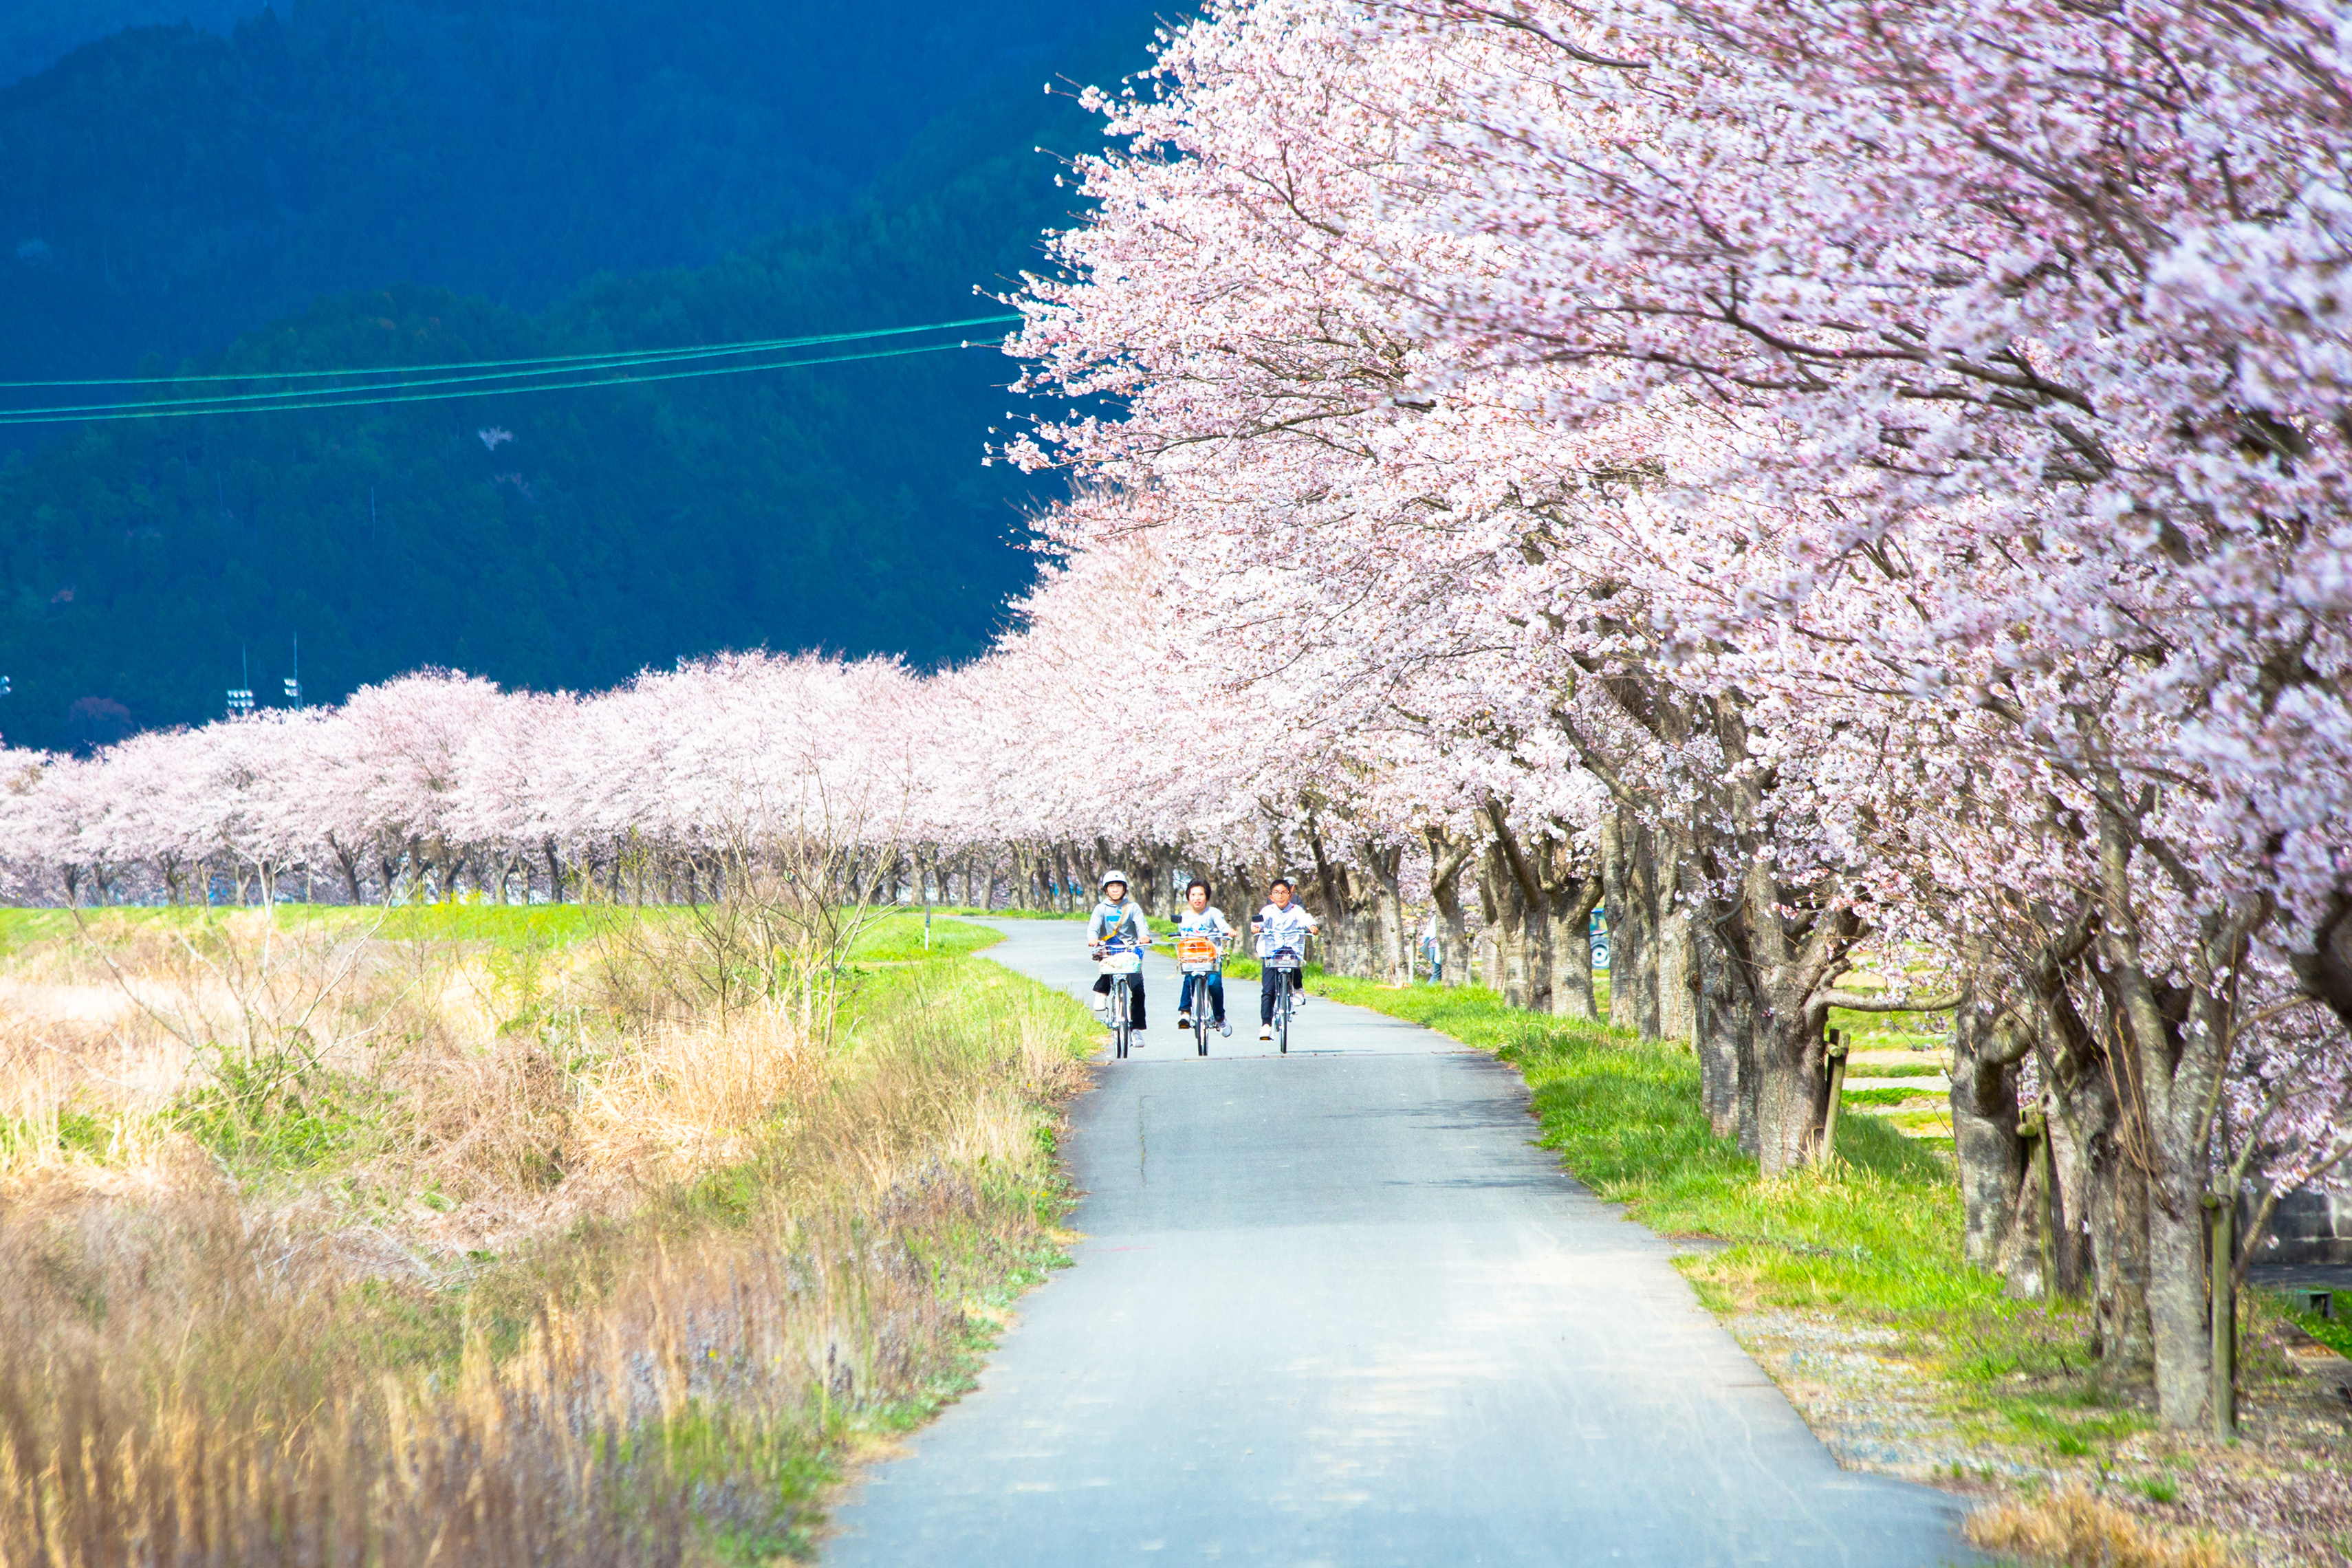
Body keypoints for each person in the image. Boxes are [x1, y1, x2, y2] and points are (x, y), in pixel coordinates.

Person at [1250, 878, 1318, 1041]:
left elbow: (1306, 919)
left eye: (1284, 893)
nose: (1280, 896)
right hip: (1271, 953)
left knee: (1296, 967)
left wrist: (1312, 927)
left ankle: (1298, 989)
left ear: (1290, 894)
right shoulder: (1267, 910)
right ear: (1271, 896)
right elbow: (1259, 921)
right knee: (1268, 990)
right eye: (1276, 893)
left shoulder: (1296, 910)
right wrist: (1256, 927)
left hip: (1290, 951)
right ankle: (1266, 1025)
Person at [1087, 870, 1151, 1039]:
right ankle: (1101, 993)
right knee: (1108, 969)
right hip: (1110, 949)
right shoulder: (1100, 909)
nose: (1115, 890)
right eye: (1111, 887)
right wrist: (1093, 938)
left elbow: (1141, 925)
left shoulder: (1133, 907)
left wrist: (1144, 936)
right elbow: (1093, 927)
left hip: (1130, 950)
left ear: (1124, 889)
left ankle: (1136, 1029)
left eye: (1119, 886)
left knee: (1138, 989)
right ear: (1106, 890)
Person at [1173, 878, 1234, 1037]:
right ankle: (1185, 1012)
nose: (1197, 898)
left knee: (1215, 984)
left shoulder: (1213, 913)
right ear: (1188, 897)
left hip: (1211, 957)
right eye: (1193, 894)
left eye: (1201, 894)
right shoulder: (1184, 916)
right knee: (1189, 980)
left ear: (1207, 896)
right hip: (1192, 958)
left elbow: (1222, 925)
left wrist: (1227, 931)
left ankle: (1220, 1017)